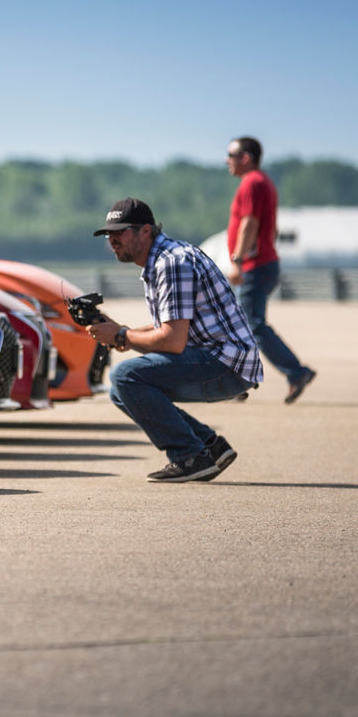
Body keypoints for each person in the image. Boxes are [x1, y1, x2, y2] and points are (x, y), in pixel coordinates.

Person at [87, 198, 263, 482]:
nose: (112, 239)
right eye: (109, 233)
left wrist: (121, 336)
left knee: (125, 376)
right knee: (121, 391)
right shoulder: (166, 257)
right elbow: (172, 328)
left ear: (146, 231)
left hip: (225, 364)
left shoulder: (171, 264)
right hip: (221, 357)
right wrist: (124, 331)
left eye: (120, 231)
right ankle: (209, 447)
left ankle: (189, 456)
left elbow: (172, 341)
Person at [226, 136, 316, 403]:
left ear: (246, 158)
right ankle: (237, 382)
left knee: (251, 325)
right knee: (241, 325)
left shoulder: (252, 182)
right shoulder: (264, 182)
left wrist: (238, 261)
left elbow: (249, 223)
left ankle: (295, 372)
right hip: (264, 262)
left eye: (230, 155)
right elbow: (272, 228)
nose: (226, 161)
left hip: (254, 266)